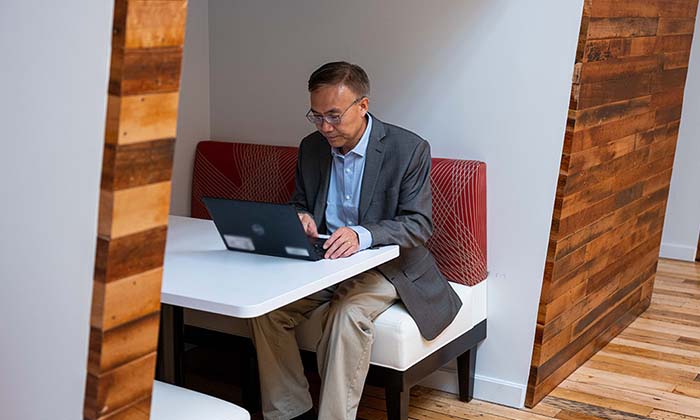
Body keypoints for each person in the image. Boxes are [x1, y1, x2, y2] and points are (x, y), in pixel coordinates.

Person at [249, 61, 462, 420]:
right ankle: (289, 412)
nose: (325, 127)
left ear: (363, 105)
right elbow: (301, 201)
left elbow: (419, 224)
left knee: (346, 314)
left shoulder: (407, 148)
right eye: (316, 116)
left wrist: (362, 235)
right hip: (324, 260)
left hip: (387, 265)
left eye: (333, 115)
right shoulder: (312, 147)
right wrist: (301, 217)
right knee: (266, 312)